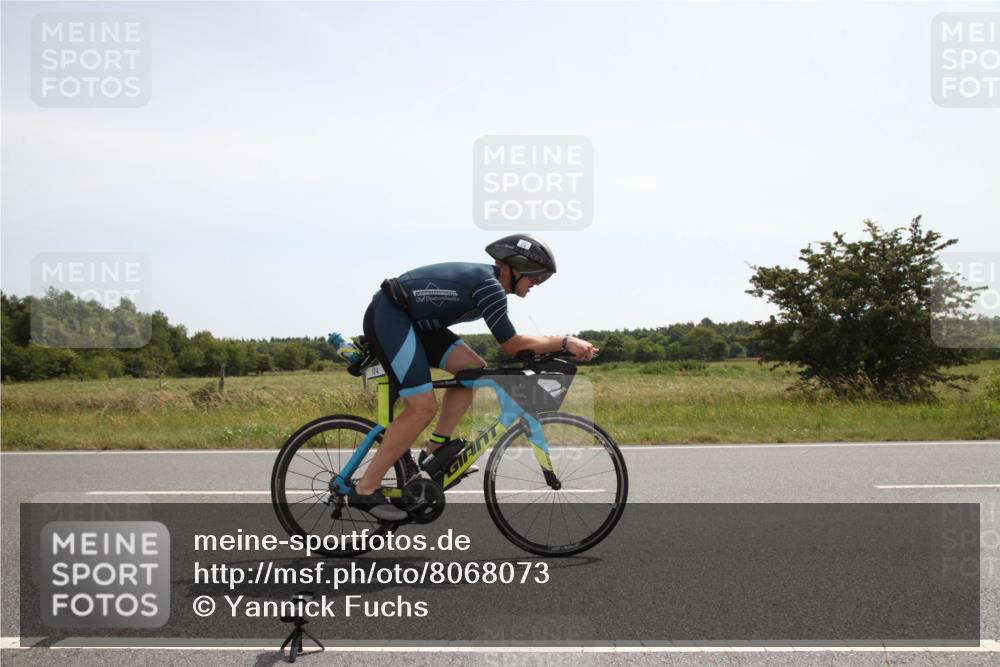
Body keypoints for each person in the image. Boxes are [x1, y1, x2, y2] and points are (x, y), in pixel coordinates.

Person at [348, 233, 599, 521]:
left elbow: (515, 349)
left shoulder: (491, 286)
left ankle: (434, 451)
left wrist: (556, 348)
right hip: (392, 316)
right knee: (422, 407)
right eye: (535, 277)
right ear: (516, 267)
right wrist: (565, 341)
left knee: (472, 371)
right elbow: (512, 345)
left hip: (416, 324)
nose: (536, 284)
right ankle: (365, 489)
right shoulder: (490, 287)